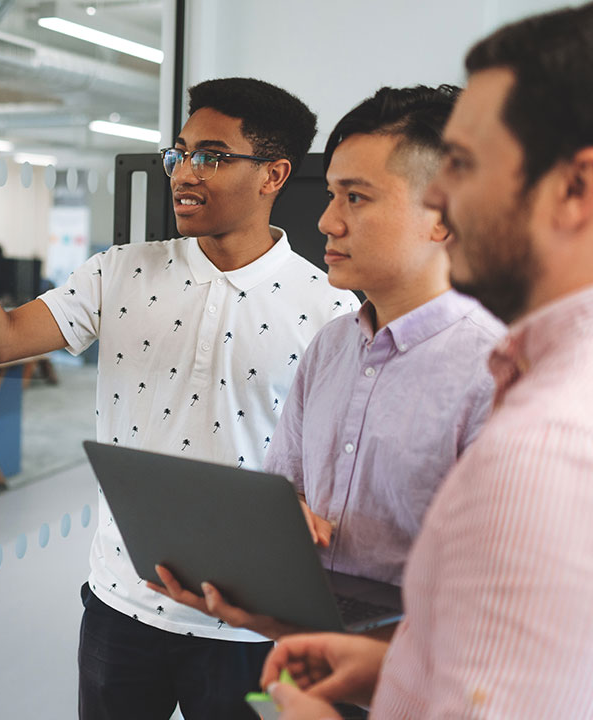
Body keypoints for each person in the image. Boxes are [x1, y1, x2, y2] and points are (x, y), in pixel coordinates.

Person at [0, 77, 360, 719]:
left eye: (212, 157)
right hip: (123, 602)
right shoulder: (120, 271)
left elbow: (334, 475)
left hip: (248, 626)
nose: (185, 172)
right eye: (181, 153)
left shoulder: (331, 309)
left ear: (273, 173)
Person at [258, 4, 593, 718]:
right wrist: (392, 667)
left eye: (467, 166)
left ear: (573, 189)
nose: (443, 194)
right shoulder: (532, 383)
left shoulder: (546, 446)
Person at [148, 86, 505, 642]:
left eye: (356, 198)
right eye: (332, 195)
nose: (327, 222)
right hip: (311, 654)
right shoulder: (333, 346)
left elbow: (507, 601)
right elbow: (285, 491)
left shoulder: (500, 375)